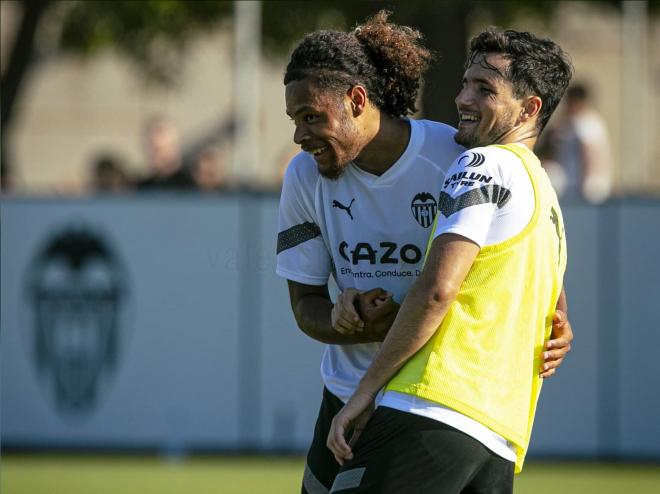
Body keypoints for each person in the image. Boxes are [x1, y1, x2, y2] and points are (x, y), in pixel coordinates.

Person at [276, 12, 573, 494]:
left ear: (356, 100)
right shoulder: (302, 177)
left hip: (424, 397)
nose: (300, 136)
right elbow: (304, 305)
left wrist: (556, 316)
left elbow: (473, 274)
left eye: (312, 117)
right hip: (351, 395)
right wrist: (343, 319)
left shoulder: (460, 155)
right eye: (295, 120)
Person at [542, 83, 612, 203]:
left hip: (585, 187)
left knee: (550, 174)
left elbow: (589, 152)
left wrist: (585, 184)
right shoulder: (573, 121)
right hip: (576, 186)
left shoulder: (585, 120)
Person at [136, 115, 195, 191]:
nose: (157, 156)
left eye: (160, 149)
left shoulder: (192, 190)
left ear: (176, 147)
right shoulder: (141, 189)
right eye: (152, 149)